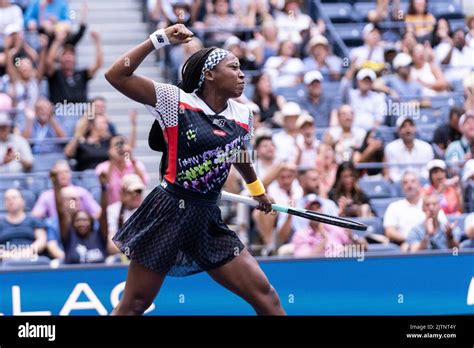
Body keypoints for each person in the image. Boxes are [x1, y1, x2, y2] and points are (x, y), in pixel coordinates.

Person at [105, 24, 285, 315]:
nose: (242, 74)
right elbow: (116, 75)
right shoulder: (174, 101)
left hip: (207, 219)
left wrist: (258, 190)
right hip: (168, 213)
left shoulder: (243, 113)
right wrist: (159, 39)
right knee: (133, 306)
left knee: (268, 298)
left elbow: (237, 152)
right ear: (210, 75)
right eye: (234, 67)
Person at [51, 168, 108, 264]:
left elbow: (104, 213)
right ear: (72, 224)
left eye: (85, 220)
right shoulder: (69, 236)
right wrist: (56, 184)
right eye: (78, 221)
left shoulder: (99, 236)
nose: (82, 223)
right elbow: (60, 212)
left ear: (91, 223)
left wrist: (104, 187)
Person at [291, 197, 367, 257]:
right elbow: (302, 261)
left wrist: (353, 237)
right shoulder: (301, 235)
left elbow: (364, 247)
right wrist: (324, 240)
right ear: (306, 214)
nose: (315, 212)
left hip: (340, 266)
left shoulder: (334, 228)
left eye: (318, 208)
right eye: (312, 209)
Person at [44, 29, 103, 105]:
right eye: (65, 54)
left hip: (81, 114)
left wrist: (97, 41)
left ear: (75, 59)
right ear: (60, 59)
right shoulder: (55, 74)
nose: (68, 58)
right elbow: (49, 61)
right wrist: (57, 41)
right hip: (59, 114)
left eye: (71, 54)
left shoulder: (82, 74)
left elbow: (98, 64)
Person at [32, 160, 101, 220]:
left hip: (78, 228)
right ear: (53, 176)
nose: (63, 175)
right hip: (56, 228)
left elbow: (97, 212)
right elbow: (35, 216)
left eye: (66, 172)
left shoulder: (81, 192)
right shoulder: (46, 195)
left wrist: (88, 222)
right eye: (59, 173)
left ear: (70, 174)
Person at [95, 135, 149, 205]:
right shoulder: (102, 167)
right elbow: (105, 186)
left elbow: (143, 182)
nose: (119, 148)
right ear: (109, 149)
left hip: (132, 208)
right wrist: (112, 160)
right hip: (111, 209)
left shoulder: (136, 164)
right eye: (116, 145)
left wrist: (130, 156)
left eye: (122, 144)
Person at [0, 188, 47, 260]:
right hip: (5, 262)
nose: (10, 201)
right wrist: (8, 255)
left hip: (31, 259)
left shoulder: (34, 220)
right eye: (7, 199)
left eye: (14, 198)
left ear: (23, 201)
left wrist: (27, 253)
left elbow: (42, 240)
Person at [384, 116, 434, 182]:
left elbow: (427, 172)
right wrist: (408, 181)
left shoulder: (426, 147)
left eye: (411, 125)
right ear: (398, 130)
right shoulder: (390, 148)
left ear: (415, 129)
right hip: (399, 186)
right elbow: (393, 173)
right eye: (404, 126)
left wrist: (414, 181)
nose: (408, 130)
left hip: (422, 185)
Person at [383, 171, 425, 250]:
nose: (409, 185)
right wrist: (410, 240)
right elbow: (389, 231)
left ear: (419, 185)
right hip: (405, 247)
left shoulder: (429, 205)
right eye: (405, 182)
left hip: (428, 245)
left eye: (413, 181)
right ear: (402, 187)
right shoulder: (394, 207)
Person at [106, 174, 145, 255]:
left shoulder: (148, 210)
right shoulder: (113, 209)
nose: (136, 195)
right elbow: (111, 247)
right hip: (120, 258)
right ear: (122, 193)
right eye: (132, 192)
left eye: (139, 191)